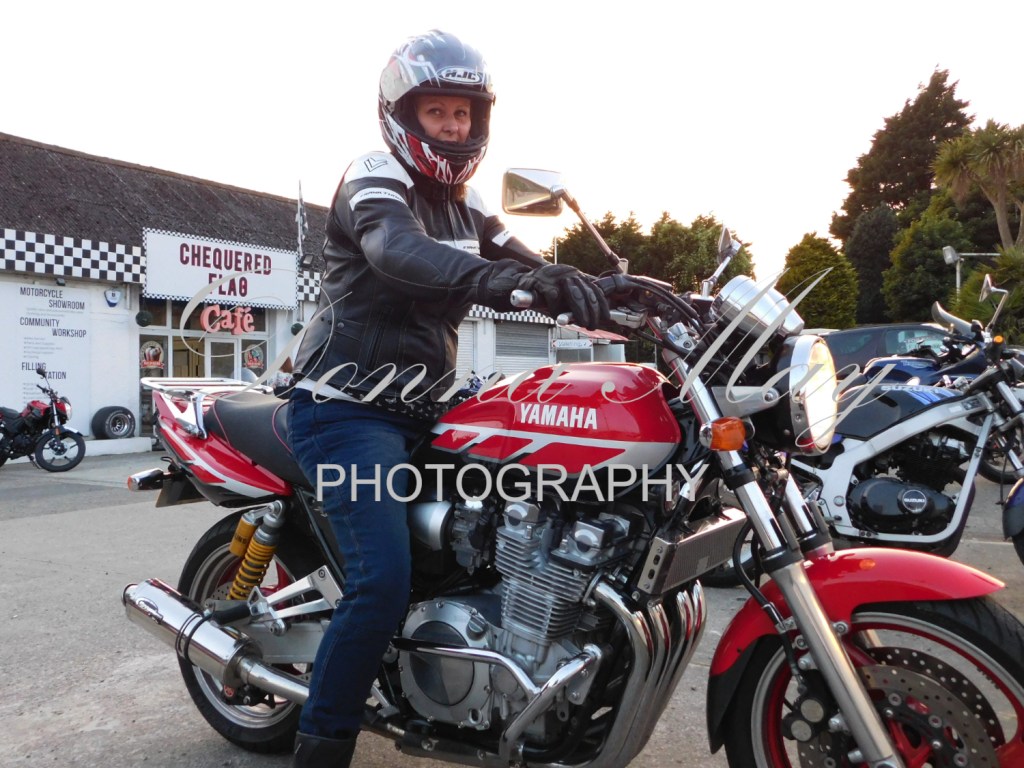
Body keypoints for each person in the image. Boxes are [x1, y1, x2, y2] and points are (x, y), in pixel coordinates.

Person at [286, 29, 608, 768]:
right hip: (346, 408)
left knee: (495, 541)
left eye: (464, 114)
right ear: (402, 115)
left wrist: (608, 292)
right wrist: (510, 282)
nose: (454, 127)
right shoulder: (374, 177)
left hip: (427, 408)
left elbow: (527, 264)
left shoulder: (469, 207)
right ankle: (322, 744)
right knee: (381, 581)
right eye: (437, 112)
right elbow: (396, 250)